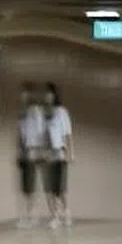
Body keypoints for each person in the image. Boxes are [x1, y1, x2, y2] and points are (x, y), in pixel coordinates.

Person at [16, 82, 48, 229]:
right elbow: (20, 135)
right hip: (24, 153)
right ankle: (27, 216)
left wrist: (38, 152)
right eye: (22, 94)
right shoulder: (22, 114)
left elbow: (40, 133)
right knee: (25, 187)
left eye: (25, 94)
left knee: (31, 186)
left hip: (33, 153)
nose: (22, 97)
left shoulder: (36, 111)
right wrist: (19, 151)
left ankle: (32, 216)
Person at [43, 83, 74, 229]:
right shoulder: (45, 114)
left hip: (60, 154)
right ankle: (55, 217)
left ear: (54, 95)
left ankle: (66, 213)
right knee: (49, 189)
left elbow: (68, 134)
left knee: (60, 188)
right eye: (45, 94)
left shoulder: (62, 112)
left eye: (49, 93)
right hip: (48, 155)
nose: (47, 96)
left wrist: (71, 153)